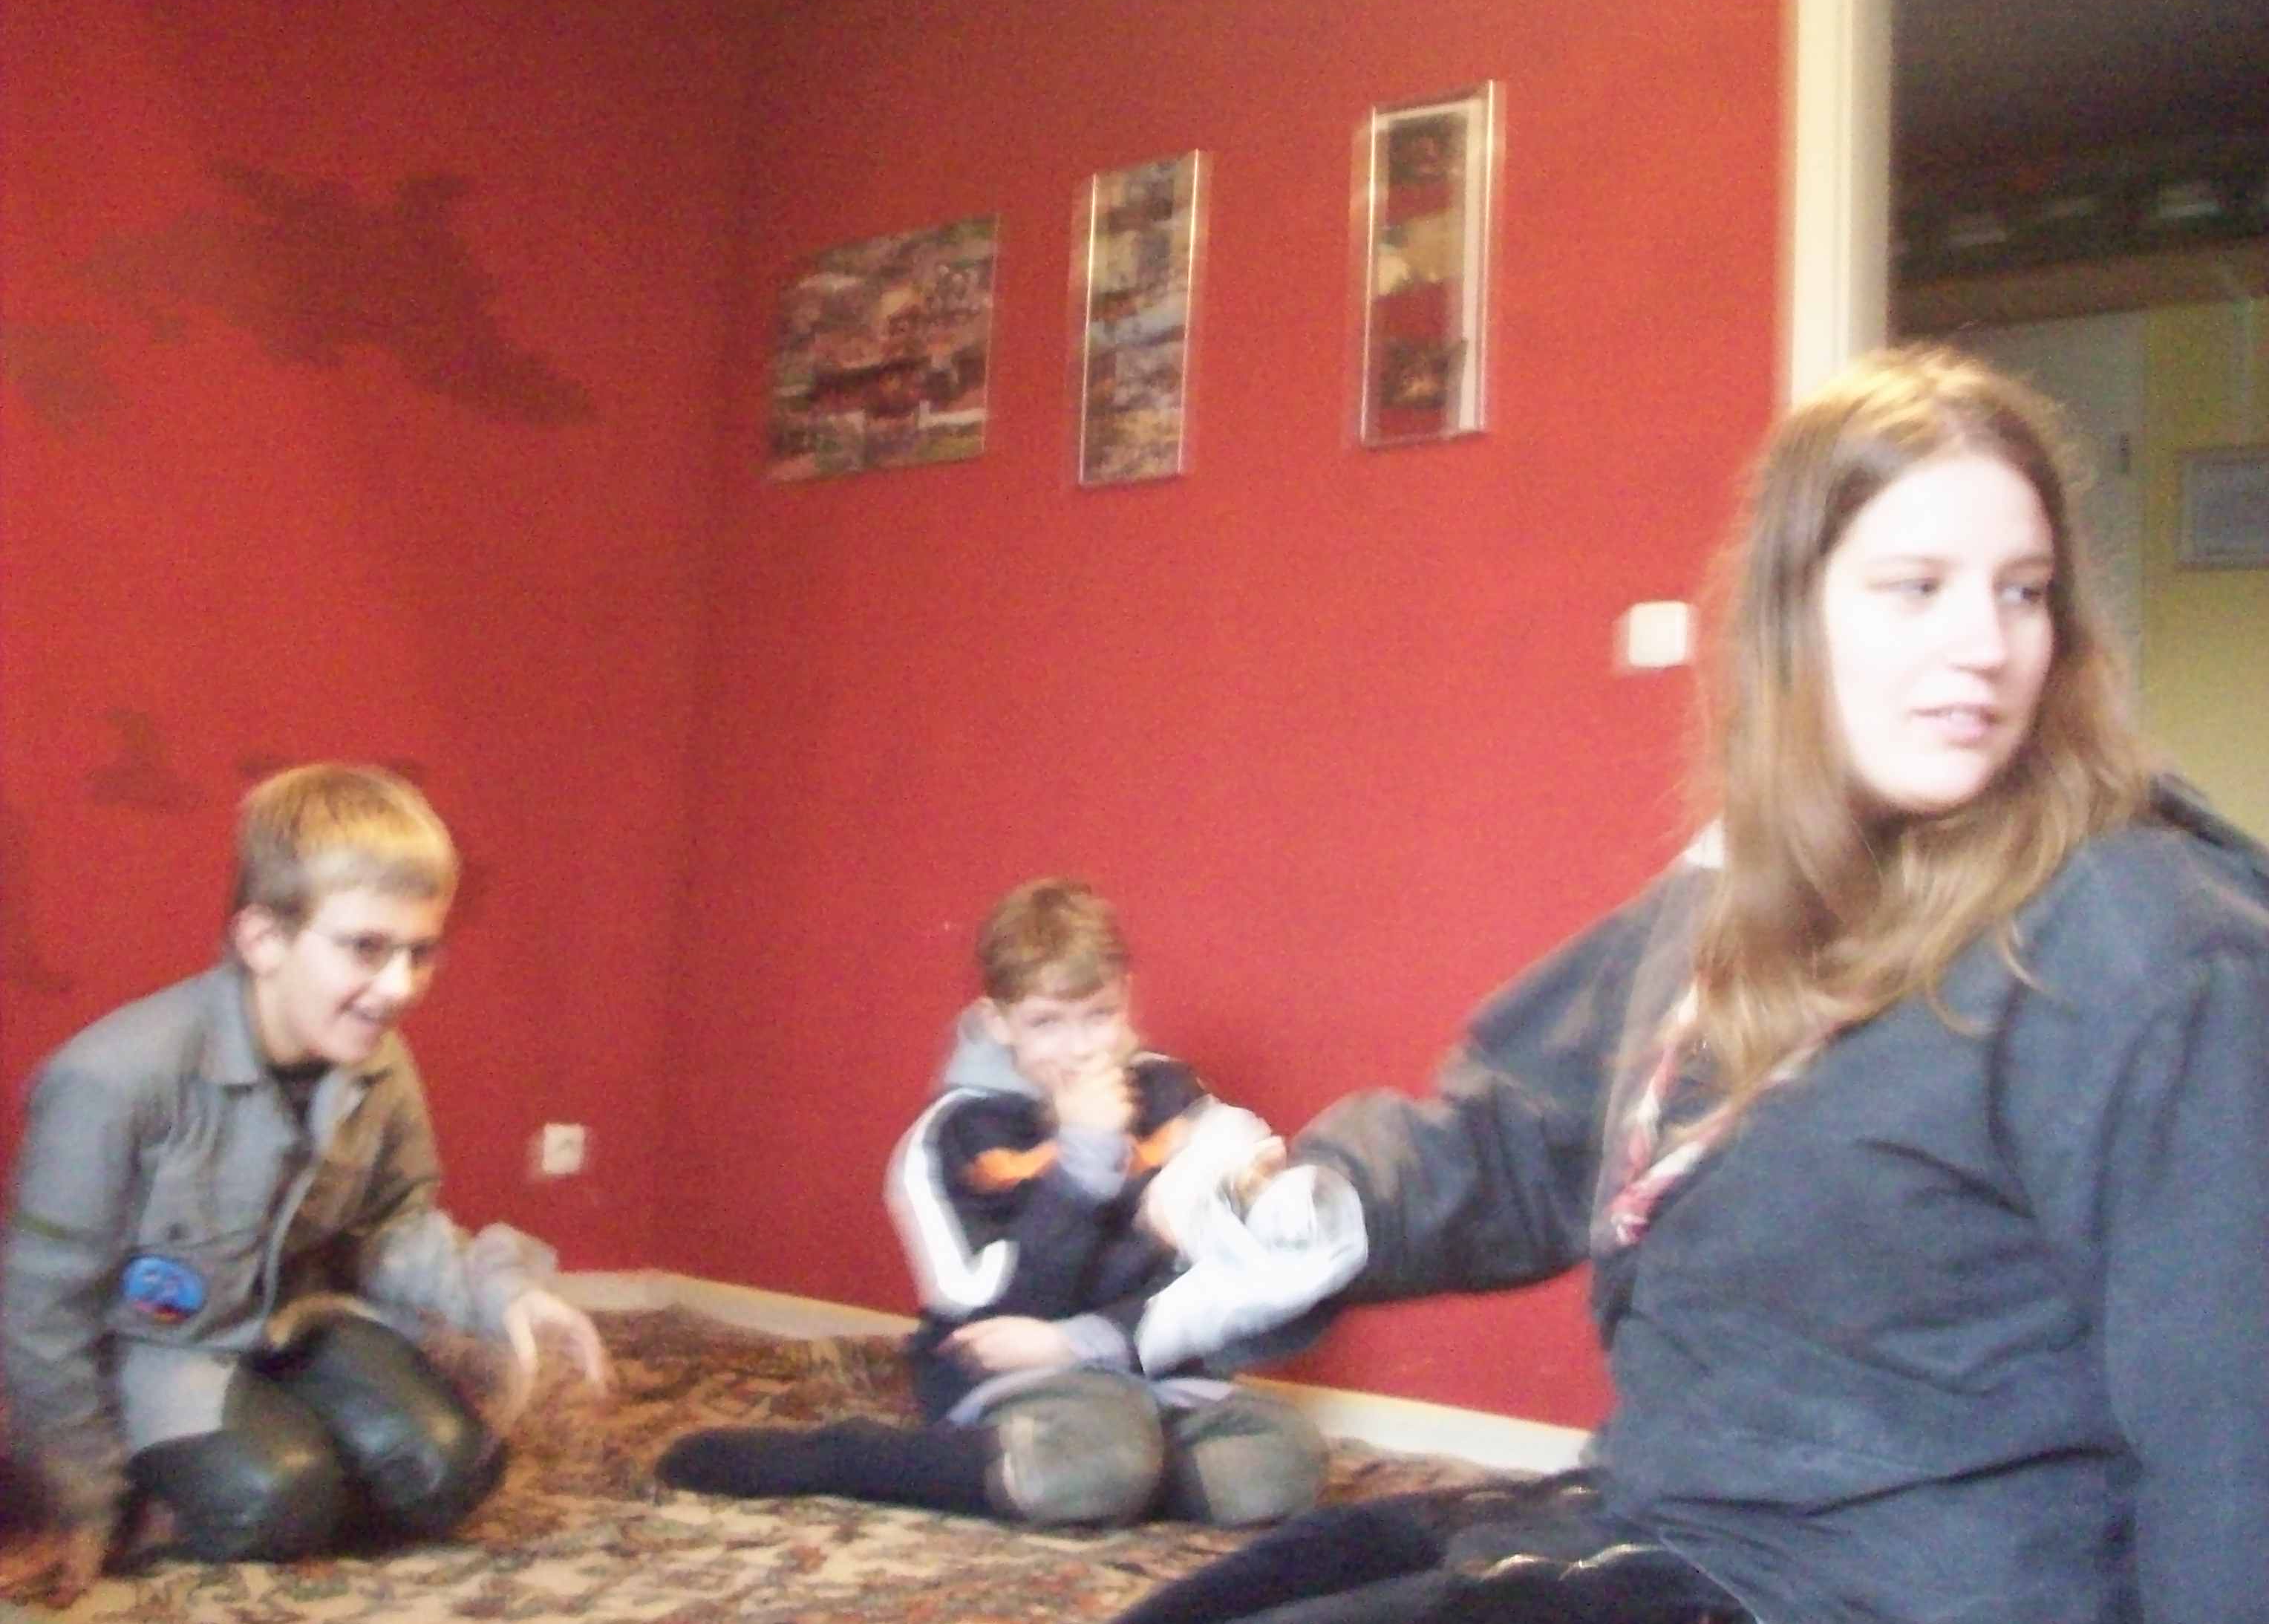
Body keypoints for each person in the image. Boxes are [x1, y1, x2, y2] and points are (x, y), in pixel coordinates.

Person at [1115, 346, 2269, 1624]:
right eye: (1917, 587)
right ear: (1794, 615)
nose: (1985, 645)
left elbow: (2239, 1428)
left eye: (2024, 592)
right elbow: (1525, 1133)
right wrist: (1324, 1205)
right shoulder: (1749, 891)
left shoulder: (2146, 942)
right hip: (1669, 1524)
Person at [1, 764, 610, 1607]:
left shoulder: (380, 1062)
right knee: (280, 1498)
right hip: (156, 1349)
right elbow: (41, 1313)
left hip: (295, 1322)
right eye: (366, 948)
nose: (399, 987)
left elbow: (395, 1223)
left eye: (421, 952)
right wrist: (78, 1496)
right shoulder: (110, 1078)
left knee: (449, 1472)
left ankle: (277, 1450)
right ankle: (204, 1483)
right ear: (263, 940)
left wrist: (501, 1293)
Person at [657, 876, 1332, 1528]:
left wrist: (1088, 1340)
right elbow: (988, 1314)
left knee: (1285, 1462)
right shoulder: (950, 1139)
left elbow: (1212, 1273)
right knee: (1104, 1450)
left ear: (1127, 996)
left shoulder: (1174, 1096)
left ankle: (1100, 1481)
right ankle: (852, 1458)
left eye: (1100, 1016)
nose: (1080, 1049)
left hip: (1141, 1363)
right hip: (1018, 1379)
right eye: (1047, 1023)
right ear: (998, 1022)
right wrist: (1083, 1162)